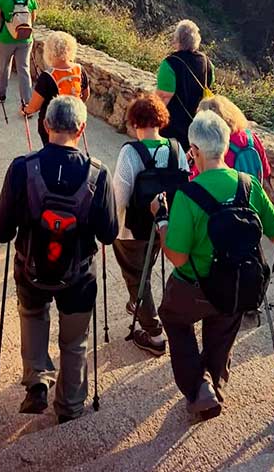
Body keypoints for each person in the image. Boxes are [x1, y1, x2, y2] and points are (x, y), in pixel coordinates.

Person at [0, 95, 118, 424]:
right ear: (82, 128)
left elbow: (0, 231)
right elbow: (108, 235)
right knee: (74, 342)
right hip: (79, 278)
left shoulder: (22, 168)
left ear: (46, 126)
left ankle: (37, 382)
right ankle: (70, 407)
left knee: (32, 317)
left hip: (31, 271)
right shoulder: (98, 175)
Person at [153, 110, 274, 419]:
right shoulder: (249, 184)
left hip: (195, 286)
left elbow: (178, 257)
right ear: (226, 147)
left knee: (173, 318)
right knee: (223, 325)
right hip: (238, 283)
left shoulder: (188, 195)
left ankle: (200, 389)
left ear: (195, 152)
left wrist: (162, 221)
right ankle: (215, 380)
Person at [113, 95, 190, 356]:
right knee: (145, 271)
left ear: (135, 122)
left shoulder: (130, 153)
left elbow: (119, 198)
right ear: (160, 120)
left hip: (134, 230)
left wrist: (109, 228)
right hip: (163, 226)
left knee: (137, 277)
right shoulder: (177, 149)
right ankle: (139, 304)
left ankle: (154, 334)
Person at [155, 20, 215, 152]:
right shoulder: (207, 62)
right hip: (196, 127)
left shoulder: (170, 63)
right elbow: (210, 86)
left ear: (177, 40)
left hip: (171, 126)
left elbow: (163, 98)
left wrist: (150, 121)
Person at [21, 31, 89, 146]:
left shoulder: (47, 76)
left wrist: (25, 110)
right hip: (73, 122)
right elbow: (85, 95)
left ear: (49, 51)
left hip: (52, 127)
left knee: (52, 154)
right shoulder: (79, 69)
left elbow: (34, 107)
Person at [195, 95, 271, 181]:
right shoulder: (251, 138)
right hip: (253, 190)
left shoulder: (215, 147)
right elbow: (265, 172)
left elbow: (198, 179)